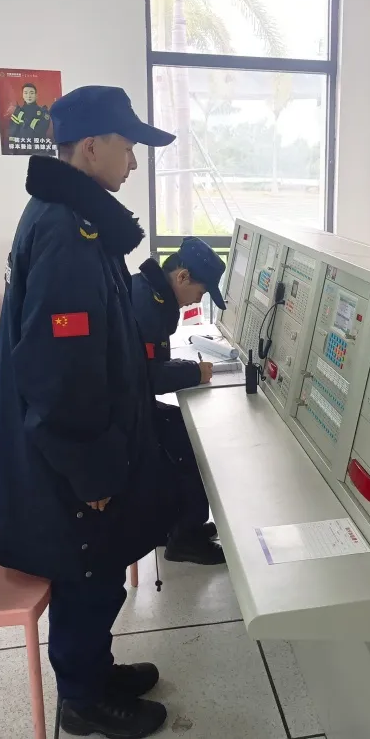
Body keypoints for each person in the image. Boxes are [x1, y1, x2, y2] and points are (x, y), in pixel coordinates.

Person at [0, 85, 179, 739]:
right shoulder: (67, 232)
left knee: (100, 573)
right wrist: (90, 471)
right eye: (128, 148)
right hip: (67, 461)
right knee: (89, 572)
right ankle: (83, 699)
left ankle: (95, 668)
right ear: (92, 148)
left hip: (73, 449)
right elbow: (61, 372)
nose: (134, 163)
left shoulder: (73, 220)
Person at [132, 238, 227, 565]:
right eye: (200, 292)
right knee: (186, 438)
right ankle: (184, 537)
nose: (197, 301)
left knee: (180, 426)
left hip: (126, 399)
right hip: (120, 411)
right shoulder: (148, 306)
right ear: (182, 277)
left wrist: (188, 370)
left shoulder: (148, 291)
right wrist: (193, 373)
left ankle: (177, 526)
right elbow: (149, 377)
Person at [7, 82, 50, 148]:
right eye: (26, 93)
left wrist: (20, 116)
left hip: (38, 150)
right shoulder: (17, 112)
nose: (29, 96)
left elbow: (39, 132)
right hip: (20, 149)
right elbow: (12, 135)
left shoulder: (43, 112)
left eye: (31, 93)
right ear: (23, 95)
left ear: (36, 95)